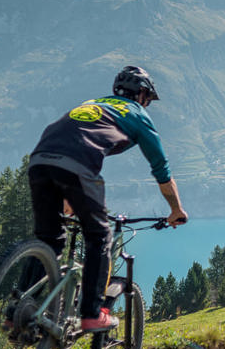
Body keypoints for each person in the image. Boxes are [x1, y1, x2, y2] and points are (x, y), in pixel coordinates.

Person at [27, 66, 188, 332]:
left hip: (39, 160)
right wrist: (176, 209)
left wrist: (68, 195)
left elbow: (75, 141)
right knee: (100, 236)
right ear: (142, 95)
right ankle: (91, 314)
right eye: (147, 99)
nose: (147, 104)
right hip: (75, 166)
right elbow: (162, 169)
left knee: (48, 239)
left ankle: (20, 308)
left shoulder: (92, 105)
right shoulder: (137, 114)